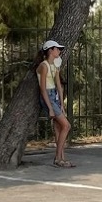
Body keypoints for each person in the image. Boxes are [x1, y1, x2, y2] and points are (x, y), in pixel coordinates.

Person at [38, 40, 73, 168]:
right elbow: (43, 89)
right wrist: (50, 108)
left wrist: (62, 105)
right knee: (66, 126)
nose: (59, 51)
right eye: (57, 49)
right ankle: (58, 158)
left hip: (55, 96)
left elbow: (58, 84)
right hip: (48, 97)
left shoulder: (54, 65)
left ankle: (61, 158)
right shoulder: (44, 66)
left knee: (59, 128)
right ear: (50, 50)